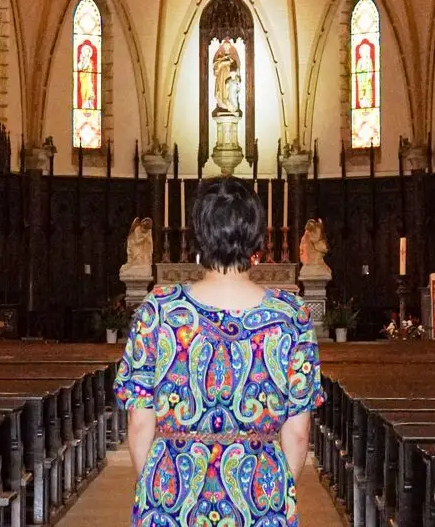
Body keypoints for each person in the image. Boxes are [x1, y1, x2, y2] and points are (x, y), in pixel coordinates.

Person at [114, 176, 324, 526]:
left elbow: (138, 422)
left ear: (200, 232)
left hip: (170, 492)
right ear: (257, 234)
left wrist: (158, 488)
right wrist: (270, 489)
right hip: (261, 491)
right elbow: (298, 430)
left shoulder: (159, 311)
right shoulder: (291, 316)